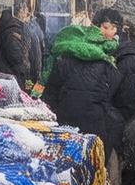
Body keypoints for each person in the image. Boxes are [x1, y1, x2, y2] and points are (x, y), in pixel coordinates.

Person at [42, 8, 123, 161]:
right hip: (82, 125)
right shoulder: (106, 60)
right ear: (96, 26)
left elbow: (51, 91)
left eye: (113, 28)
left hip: (74, 122)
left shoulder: (71, 47)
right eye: (106, 27)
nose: (109, 32)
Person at [0, 6, 32, 87]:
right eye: (27, 14)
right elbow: (35, 68)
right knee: (31, 92)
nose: (27, 16)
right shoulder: (18, 31)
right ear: (21, 12)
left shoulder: (8, 28)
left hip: (9, 76)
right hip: (18, 77)